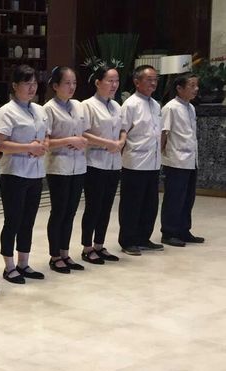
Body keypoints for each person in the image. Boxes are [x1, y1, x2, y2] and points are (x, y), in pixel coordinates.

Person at [0, 64, 49, 284]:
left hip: (35, 173)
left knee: (28, 221)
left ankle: (23, 263)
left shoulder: (40, 110)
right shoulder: (6, 111)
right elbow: (1, 144)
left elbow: (46, 135)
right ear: (15, 86)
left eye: (34, 83)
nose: (32, 88)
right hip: (14, 173)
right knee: (13, 220)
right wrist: (29, 147)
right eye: (27, 83)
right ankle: (8, 266)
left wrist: (43, 144)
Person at [43, 66, 88, 274]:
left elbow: (84, 132)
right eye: (67, 83)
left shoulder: (78, 106)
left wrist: (81, 141)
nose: (71, 87)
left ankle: (65, 252)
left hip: (78, 166)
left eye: (74, 83)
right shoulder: (49, 109)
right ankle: (54, 256)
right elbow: (46, 141)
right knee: (59, 211)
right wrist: (68, 140)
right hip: (58, 166)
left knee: (70, 212)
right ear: (55, 86)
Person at [80, 66, 125, 264]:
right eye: (110, 81)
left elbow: (123, 129)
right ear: (98, 83)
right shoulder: (88, 105)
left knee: (106, 206)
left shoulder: (116, 106)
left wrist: (121, 141)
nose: (114, 85)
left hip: (114, 163)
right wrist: (106, 143)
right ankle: (87, 247)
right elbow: (82, 133)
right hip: (95, 162)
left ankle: (99, 244)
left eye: (116, 81)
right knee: (94, 206)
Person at [118, 65, 164, 255]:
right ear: (137, 82)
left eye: (155, 79)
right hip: (135, 162)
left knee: (150, 204)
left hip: (153, 161)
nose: (153, 83)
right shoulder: (130, 105)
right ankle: (128, 240)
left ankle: (143, 237)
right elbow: (122, 133)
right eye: (149, 79)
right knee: (132, 204)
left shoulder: (156, 105)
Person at [160, 72, 205, 246]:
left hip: (191, 159)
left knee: (188, 197)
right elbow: (164, 133)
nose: (196, 89)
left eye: (196, 85)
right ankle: (169, 232)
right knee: (174, 197)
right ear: (179, 88)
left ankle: (183, 230)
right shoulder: (170, 107)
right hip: (176, 160)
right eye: (192, 85)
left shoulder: (190, 107)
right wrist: (161, 155)